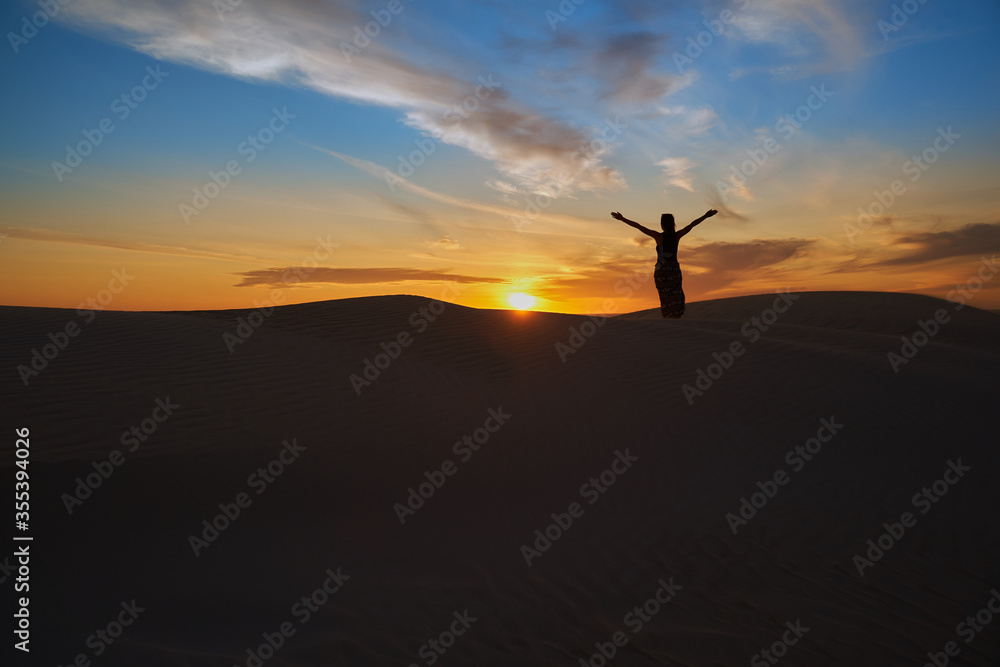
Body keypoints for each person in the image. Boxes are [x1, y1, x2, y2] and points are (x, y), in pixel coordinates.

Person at [610, 209, 718, 318]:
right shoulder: (677, 236)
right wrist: (705, 216)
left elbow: (639, 227)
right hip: (673, 270)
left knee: (665, 297)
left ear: (662, 225)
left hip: (661, 271)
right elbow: (691, 225)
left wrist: (623, 219)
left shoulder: (658, 237)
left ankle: (668, 317)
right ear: (673, 224)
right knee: (677, 296)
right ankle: (676, 318)